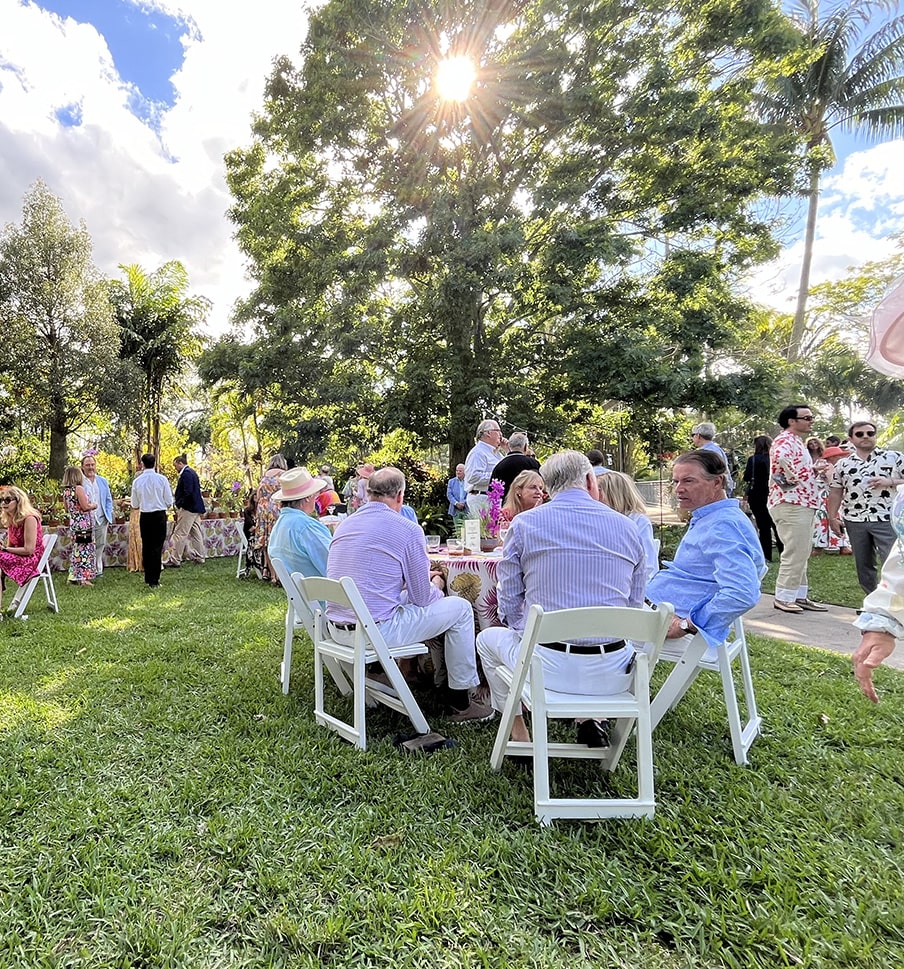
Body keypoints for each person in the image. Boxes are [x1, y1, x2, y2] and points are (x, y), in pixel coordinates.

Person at [476, 450, 645, 747]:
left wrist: (522, 631)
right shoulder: (628, 528)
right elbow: (634, 604)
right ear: (591, 480)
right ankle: (591, 718)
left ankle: (520, 735)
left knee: (487, 640)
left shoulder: (525, 525)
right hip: (614, 673)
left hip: (547, 669)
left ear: (548, 487)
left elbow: (509, 599)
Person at [326, 466, 491, 722]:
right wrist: (436, 584)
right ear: (400, 496)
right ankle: (459, 701)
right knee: (459, 609)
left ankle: (403, 671)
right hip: (374, 633)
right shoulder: (406, 528)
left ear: (368, 493)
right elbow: (422, 598)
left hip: (337, 629)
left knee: (403, 601)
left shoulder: (345, 525)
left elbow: (376, 581)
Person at [647, 450, 765, 645]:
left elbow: (743, 592)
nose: (678, 489)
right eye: (676, 481)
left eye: (688, 481)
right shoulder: (713, 518)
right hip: (655, 607)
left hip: (665, 618)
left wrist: (686, 625)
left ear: (717, 482)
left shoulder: (722, 526)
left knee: (591, 636)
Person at [827, 420, 904, 594]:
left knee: (892, 562)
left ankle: (895, 601)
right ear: (851, 439)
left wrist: (890, 481)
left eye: (870, 433)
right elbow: (836, 491)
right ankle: (872, 601)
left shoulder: (895, 458)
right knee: (863, 564)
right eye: (860, 434)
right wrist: (832, 517)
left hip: (887, 518)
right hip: (854, 519)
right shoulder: (843, 464)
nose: (866, 437)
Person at [768, 404, 826, 613]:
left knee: (802, 551)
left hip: (802, 503)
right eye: (807, 417)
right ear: (792, 421)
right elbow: (781, 461)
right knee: (795, 551)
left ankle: (798, 595)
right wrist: (809, 469)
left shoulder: (796, 442)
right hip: (791, 503)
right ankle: (783, 597)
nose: (811, 420)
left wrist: (812, 470)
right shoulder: (784, 440)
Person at [268, 467, 332, 578]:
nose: (316, 498)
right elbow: (334, 565)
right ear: (308, 497)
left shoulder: (279, 525)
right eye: (315, 494)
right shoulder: (306, 527)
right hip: (324, 593)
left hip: (301, 593)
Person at [596, 470, 659, 580]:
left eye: (598, 491)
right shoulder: (598, 520)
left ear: (613, 493)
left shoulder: (639, 521)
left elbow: (648, 565)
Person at [130, 453, 173, 588]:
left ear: (142, 464)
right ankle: (155, 578)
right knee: (157, 546)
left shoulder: (137, 481)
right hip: (159, 515)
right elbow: (169, 501)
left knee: (147, 546)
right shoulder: (162, 479)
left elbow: (134, 503)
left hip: (145, 516)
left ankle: (149, 576)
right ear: (155, 463)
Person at [0, 486, 45, 612]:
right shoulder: (12, 519)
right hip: (19, 556)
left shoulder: (30, 518)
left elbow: (29, 550)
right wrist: (4, 548)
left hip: (29, 559)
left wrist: (5, 549)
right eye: (2, 500)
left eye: (8, 500)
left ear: (18, 501)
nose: (3, 503)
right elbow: (9, 546)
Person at [742, 435, 782, 562]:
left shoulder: (753, 460)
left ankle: (766, 555)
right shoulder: (775, 459)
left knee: (763, 526)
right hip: (774, 493)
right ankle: (783, 553)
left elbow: (747, 477)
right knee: (777, 525)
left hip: (757, 494)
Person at [167, 454, 206, 567]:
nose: (175, 469)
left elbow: (188, 491)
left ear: (180, 463)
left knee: (180, 533)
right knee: (196, 533)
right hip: (195, 508)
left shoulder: (186, 474)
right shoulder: (192, 472)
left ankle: (175, 559)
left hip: (188, 508)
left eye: (176, 466)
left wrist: (180, 503)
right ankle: (200, 556)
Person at [62, 465, 97, 587]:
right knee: (84, 551)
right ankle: (83, 578)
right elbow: (85, 506)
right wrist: (94, 505)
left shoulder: (66, 491)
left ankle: (73, 576)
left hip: (74, 523)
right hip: (83, 525)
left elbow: (66, 508)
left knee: (76, 550)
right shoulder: (78, 489)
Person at [255, 454, 288, 583]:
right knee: (278, 541)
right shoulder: (283, 475)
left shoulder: (265, 475)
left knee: (267, 542)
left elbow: (258, 494)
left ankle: (272, 575)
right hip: (276, 508)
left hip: (263, 509)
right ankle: (280, 575)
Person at [464, 419, 508, 514]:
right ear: (489, 433)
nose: (501, 435)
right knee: (484, 528)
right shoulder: (478, 452)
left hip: (494, 499)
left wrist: (508, 449)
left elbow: (508, 467)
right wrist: (496, 477)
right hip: (481, 499)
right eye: (498, 431)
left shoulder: (496, 453)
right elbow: (473, 476)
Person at [80, 454, 114, 577]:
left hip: (101, 519)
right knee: (83, 545)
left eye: (92, 465)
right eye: (87, 465)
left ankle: (97, 569)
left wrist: (108, 514)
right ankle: (84, 572)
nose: (90, 467)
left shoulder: (102, 481)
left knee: (100, 544)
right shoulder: (79, 482)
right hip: (84, 520)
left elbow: (108, 499)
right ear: (82, 467)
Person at [490, 432, 540, 498]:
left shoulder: (500, 466)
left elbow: (493, 490)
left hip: (506, 504)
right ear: (525, 447)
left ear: (509, 446)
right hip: (529, 503)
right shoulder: (533, 464)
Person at [691, 422, 734, 496]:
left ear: (698, 436)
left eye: (693, 435)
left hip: (712, 492)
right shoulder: (717, 449)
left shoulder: (705, 452)